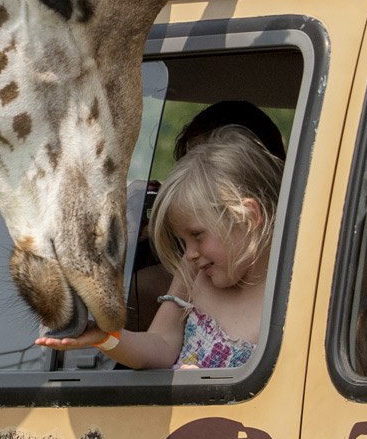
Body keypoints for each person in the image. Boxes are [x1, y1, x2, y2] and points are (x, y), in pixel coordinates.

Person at [41, 125, 281, 369]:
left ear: (248, 217)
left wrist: (211, 390)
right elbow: (162, 345)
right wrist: (106, 337)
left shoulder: (291, 298)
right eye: (183, 241)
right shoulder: (194, 272)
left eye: (197, 235)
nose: (189, 253)